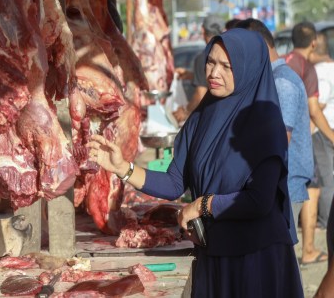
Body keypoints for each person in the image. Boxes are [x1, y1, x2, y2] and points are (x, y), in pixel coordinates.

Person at [88, 29, 303, 297]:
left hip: (254, 261)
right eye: (211, 62)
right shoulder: (203, 115)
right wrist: (123, 168)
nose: (214, 73)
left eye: (227, 66)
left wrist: (202, 205)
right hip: (212, 253)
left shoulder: (265, 123)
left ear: (249, 69)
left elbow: (259, 201)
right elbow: (175, 182)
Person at [236, 19, 313, 255]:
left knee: (280, 260)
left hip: (285, 185)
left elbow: (281, 140)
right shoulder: (273, 79)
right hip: (280, 184)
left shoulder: (282, 82)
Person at [284, 21, 334, 264]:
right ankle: (308, 249)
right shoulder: (307, 67)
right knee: (311, 190)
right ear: (313, 42)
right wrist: (332, 136)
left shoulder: (284, 62)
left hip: (283, 141)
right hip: (301, 143)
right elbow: (314, 110)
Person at [173, 15, 223, 124]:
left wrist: (186, 111)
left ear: (202, 30)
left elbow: (201, 94)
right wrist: (191, 75)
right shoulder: (229, 53)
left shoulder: (204, 57)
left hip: (210, 118)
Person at [310, 33, 334, 230]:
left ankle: (326, 222)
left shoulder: (319, 72)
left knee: (327, 180)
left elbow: (318, 106)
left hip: (323, 131)